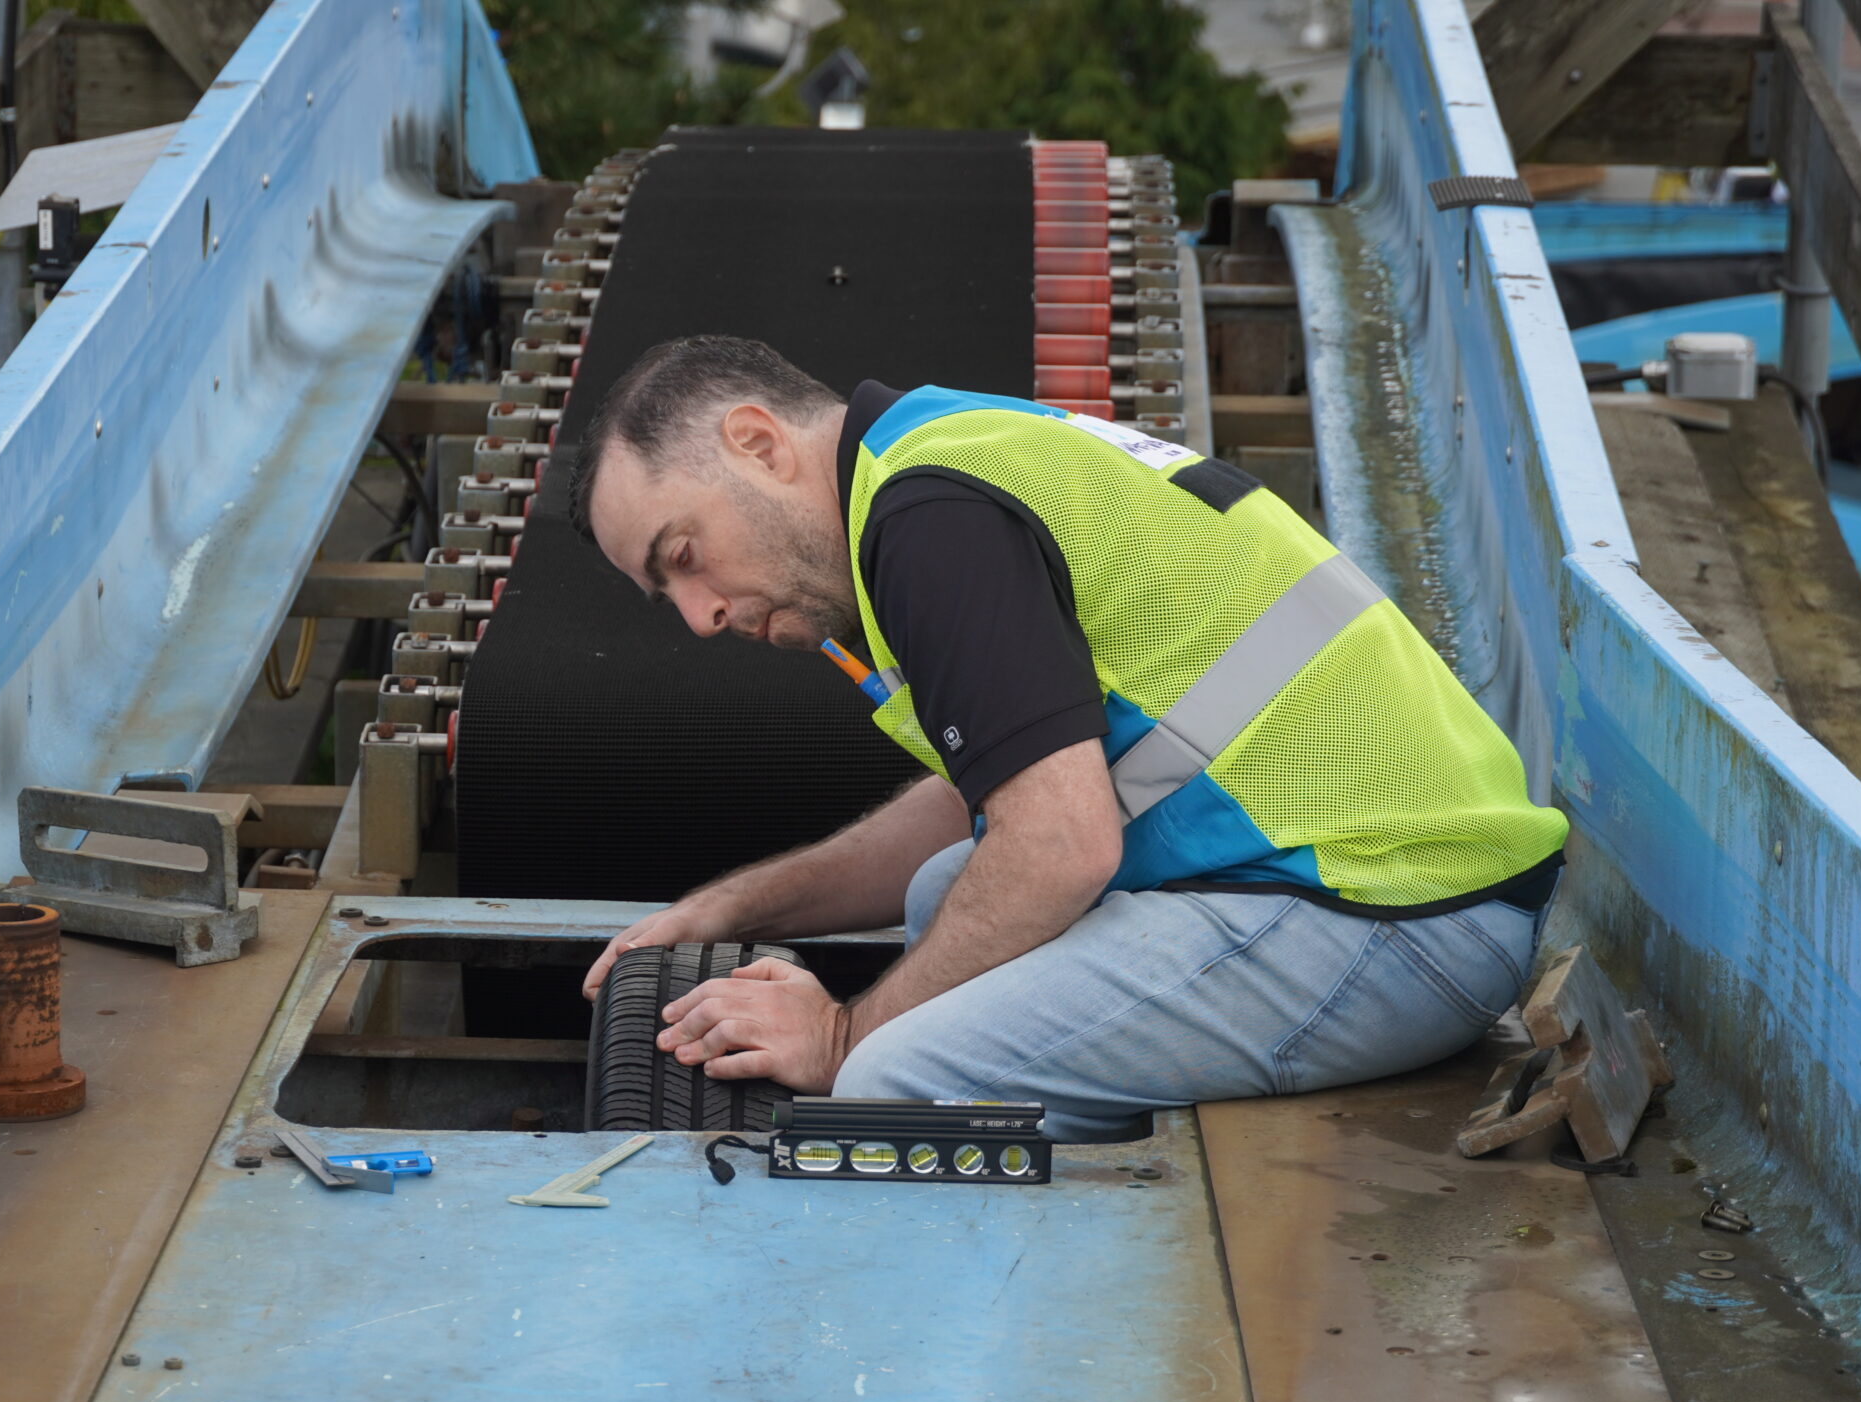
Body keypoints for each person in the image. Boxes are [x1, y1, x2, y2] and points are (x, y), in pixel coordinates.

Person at [568, 335, 1565, 1138]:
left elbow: (1057, 842)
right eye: (668, 594)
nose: (697, 615)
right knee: (940, 891)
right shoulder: (935, 458)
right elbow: (1003, 794)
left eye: (686, 558)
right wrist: (731, 907)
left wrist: (844, 1030)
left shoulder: (926, 521)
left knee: (898, 1077)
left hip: (1391, 915)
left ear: (757, 443)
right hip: (1376, 879)